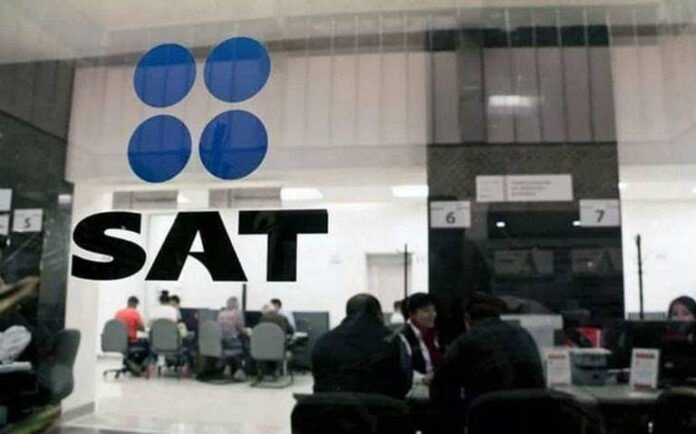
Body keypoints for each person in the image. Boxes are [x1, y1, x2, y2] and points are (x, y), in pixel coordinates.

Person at [431, 292, 545, 434]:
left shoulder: (465, 342)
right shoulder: (524, 335)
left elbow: (441, 392)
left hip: (488, 422)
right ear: (498, 315)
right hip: (530, 422)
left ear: (467, 319)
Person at [311, 293, 412, 399]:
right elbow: (405, 382)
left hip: (331, 407)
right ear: (379, 314)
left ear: (348, 313)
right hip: (382, 407)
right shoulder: (394, 340)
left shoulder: (322, 341)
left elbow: (319, 382)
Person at [400, 293, 442, 393]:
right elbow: (402, 369)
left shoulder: (434, 334)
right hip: (417, 387)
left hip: (436, 383)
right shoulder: (402, 338)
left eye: (434, 310)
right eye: (426, 311)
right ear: (412, 314)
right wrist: (422, 378)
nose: (433, 314)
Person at [114, 296, 149, 375]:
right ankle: (137, 365)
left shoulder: (118, 313)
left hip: (118, 341)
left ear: (128, 303)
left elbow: (116, 326)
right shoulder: (135, 313)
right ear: (135, 304)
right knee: (148, 345)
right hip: (130, 341)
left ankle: (130, 363)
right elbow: (142, 328)